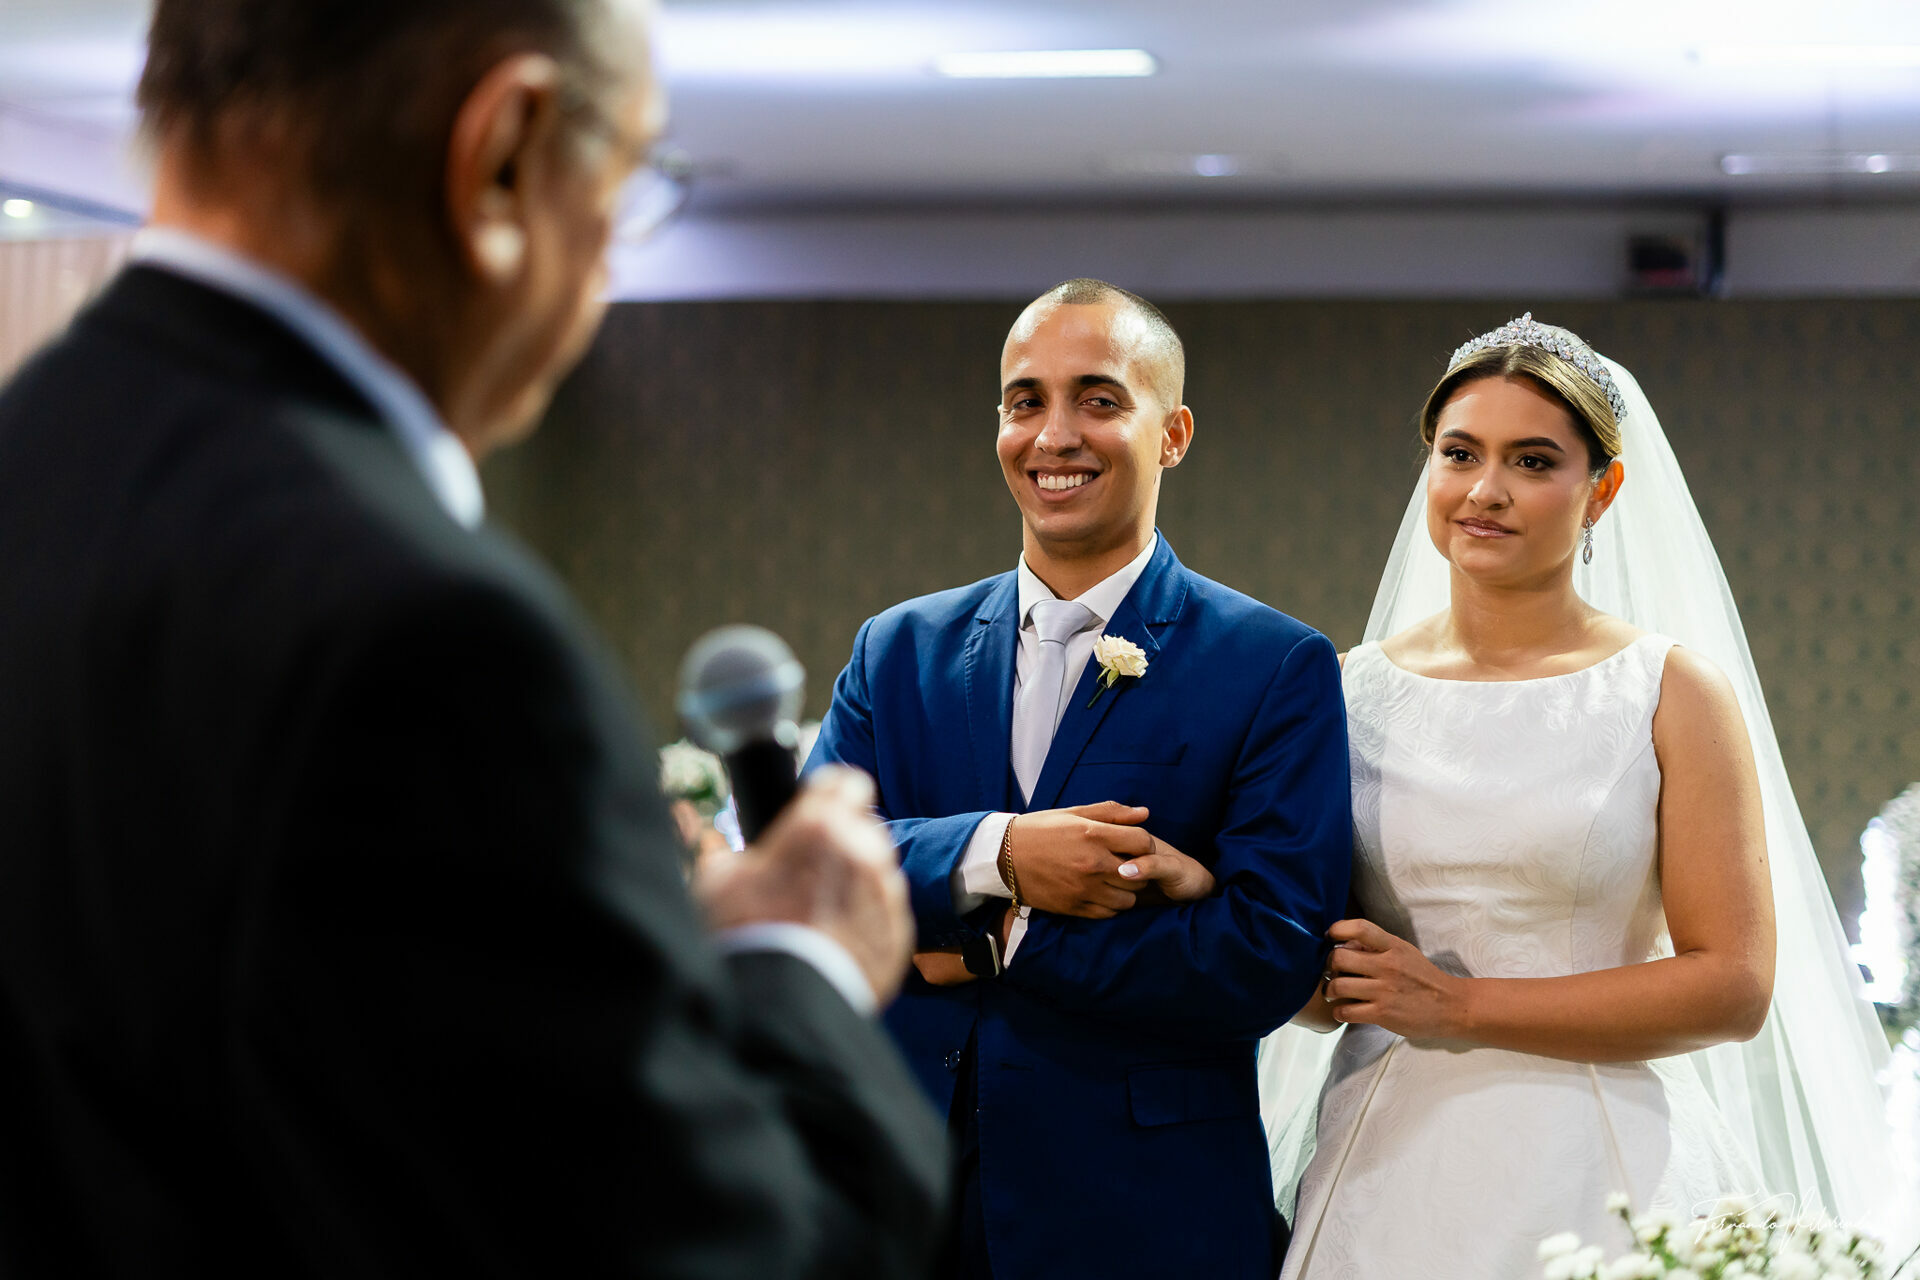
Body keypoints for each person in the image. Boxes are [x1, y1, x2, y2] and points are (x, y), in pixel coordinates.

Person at [0, 1, 945, 1276]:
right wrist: (802, 962)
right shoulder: (434, 641)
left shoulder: (35, 458)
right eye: (628, 180)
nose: (609, 253)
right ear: (503, 156)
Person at [1265, 315, 1915, 1277]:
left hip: (1599, 1158)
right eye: (1459, 454)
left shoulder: (1670, 693)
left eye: (1532, 461)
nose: (1485, 491)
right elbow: (1322, 970)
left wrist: (1462, 1004)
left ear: (1601, 490)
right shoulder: (1347, 688)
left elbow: (1733, 985)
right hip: (1388, 1164)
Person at [807, 278, 1352, 1280]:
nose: (1054, 435)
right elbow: (812, 872)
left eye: (1098, 399)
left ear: (1172, 433)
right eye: (1026, 401)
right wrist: (1003, 853)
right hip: (899, 1203)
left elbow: (1271, 952)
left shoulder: (1274, 664)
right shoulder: (896, 650)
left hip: (1144, 1214)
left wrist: (1001, 940)